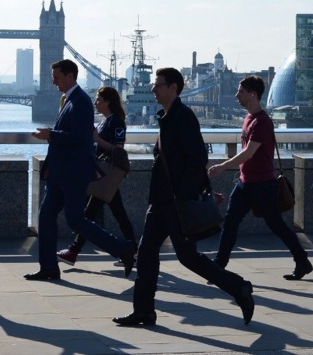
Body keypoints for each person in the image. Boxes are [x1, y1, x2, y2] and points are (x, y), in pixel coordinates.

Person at [113, 68, 254, 327]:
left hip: (175, 202)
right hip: (161, 201)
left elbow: (197, 158)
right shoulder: (166, 116)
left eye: (158, 85)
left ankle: (239, 287)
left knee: (187, 258)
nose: (154, 89)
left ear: (173, 88)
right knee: (145, 255)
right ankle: (144, 311)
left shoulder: (183, 117)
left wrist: (191, 194)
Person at [25, 59, 136, 281]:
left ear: (70, 76)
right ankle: (48, 267)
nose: (53, 81)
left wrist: (51, 135)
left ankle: (123, 249)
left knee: (76, 220)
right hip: (59, 173)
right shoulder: (68, 99)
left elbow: (80, 137)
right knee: (46, 217)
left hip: (74, 173)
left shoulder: (81, 102)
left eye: (56, 77)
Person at [208, 76, 313, 280]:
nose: (237, 95)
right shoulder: (248, 118)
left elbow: (249, 153)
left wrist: (223, 166)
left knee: (277, 225)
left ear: (252, 95)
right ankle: (218, 267)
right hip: (245, 183)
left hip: (263, 185)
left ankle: (302, 261)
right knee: (230, 222)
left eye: (240, 91)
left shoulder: (262, 122)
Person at [56, 86, 136, 266]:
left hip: (108, 173)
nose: (95, 103)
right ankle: (132, 251)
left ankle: (74, 251)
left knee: (90, 214)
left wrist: (97, 139)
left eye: (99, 100)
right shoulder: (103, 122)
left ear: (108, 101)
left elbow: (118, 148)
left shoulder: (116, 122)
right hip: (101, 173)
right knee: (113, 213)